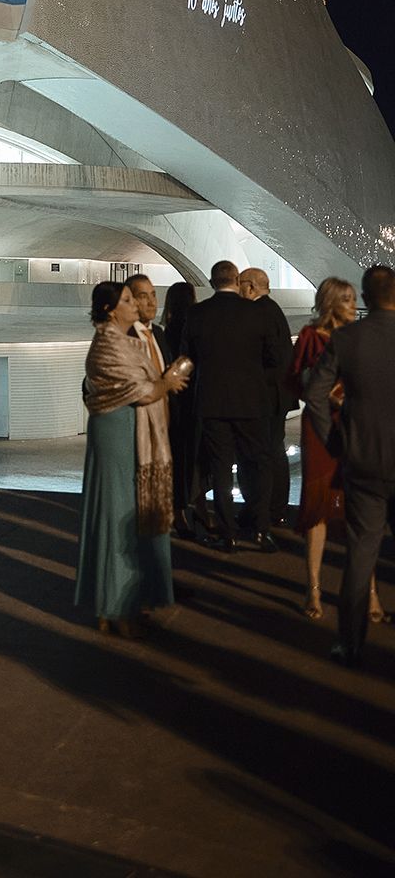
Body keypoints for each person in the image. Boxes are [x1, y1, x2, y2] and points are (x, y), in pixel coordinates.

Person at [75, 281, 188, 634]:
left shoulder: (127, 342)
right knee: (116, 513)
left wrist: (162, 382)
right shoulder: (109, 343)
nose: (135, 305)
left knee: (128, 512)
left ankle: (118, 603)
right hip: (117, 433)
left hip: (127, 430)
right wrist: (166, 384)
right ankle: (115, 605)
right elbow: (140, 390)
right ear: (110, 310)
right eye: (127, 300)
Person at [305, 264, 395, 667]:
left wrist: (334, 440)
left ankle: (350, 642)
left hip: (362, 460)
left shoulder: (347, 338)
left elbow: (315, 393)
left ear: (365, 296)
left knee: (361, 553)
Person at [287, 277, 385, 623]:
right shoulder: (312, 336)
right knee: (318, 509)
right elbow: (295, 381)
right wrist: (321, 388)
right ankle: (312, 587)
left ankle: (370, 592)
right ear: (330, 301)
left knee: (359, 513)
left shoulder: (360, 337)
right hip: (320, 430)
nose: (351, 303)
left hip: (355, 426)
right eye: (344, 298)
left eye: (352, 297)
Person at [181, 259, 290, 551]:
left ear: (213, 280)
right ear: (236, 279)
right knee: (260, 462)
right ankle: (261, 528)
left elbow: (187, 357)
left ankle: (227, 532)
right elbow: (273, 357)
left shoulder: (197, 313)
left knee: (220, 467)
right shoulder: (256, 313)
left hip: (212, 401)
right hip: (252, 401)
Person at [237, 266, 294, 529]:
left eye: (240, 285)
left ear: (250, 286)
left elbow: (270, 356)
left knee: (264, 453)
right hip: (278, 395)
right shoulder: (273, 310)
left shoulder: (259, 312)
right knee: (274, 451)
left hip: (266, 396)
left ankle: (267, 509)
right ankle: (276, 508)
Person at [160, 279, 201, 532]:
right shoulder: (194, 328)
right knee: (192, 457)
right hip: (193, 398)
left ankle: (177, 510)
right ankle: (193, 509)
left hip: (172, 400)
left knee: (175, 456)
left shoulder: (166, 332)